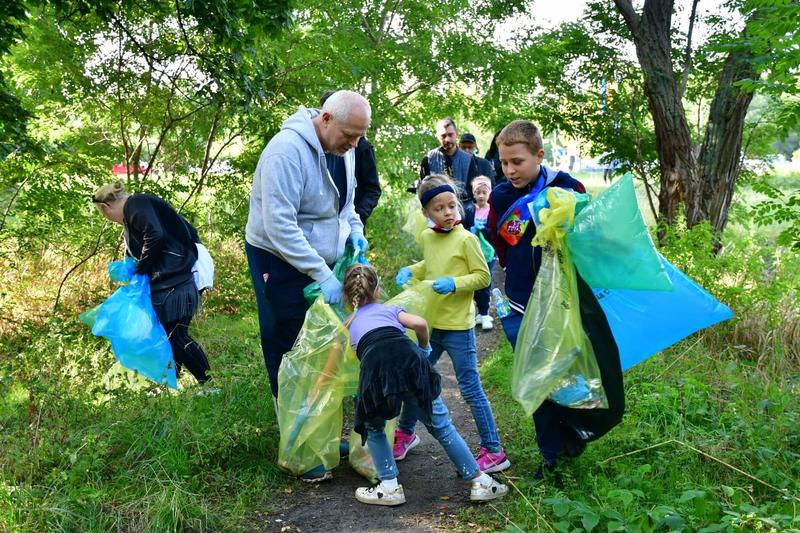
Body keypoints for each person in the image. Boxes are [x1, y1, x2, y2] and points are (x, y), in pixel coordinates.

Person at [488, 119, 624, 479]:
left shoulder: (569, 188)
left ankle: (574, 433)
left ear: (539, 155)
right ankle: (550, 457)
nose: (509, 170)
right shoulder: (501, 197)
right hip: (520, 307)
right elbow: (500, 246)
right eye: (504, 163)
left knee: (570, 378)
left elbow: (592, 239)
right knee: (539, 382)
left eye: (517, 161)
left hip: (564, 307)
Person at [244, 90, 370, 424]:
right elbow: (280, 226)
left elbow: (347, 204)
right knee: (287, 338)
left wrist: (354, 230)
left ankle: (319, 429)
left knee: (322, 340)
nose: (354, 144)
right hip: (277, 258)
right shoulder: (285, 153)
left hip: (321, 260)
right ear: (326, 118)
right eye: (349, 136)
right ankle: (293, 434)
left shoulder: (345, 148)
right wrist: (322, 275)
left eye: (360, 137)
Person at [343, 263, 508, 506]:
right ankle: (481, 482)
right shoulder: (390, 310)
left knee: (375, 426)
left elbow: (339, 349)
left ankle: (389, 486)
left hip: (376, 366)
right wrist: (424, 347)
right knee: (440, 425)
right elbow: (420, 323)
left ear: (347, 296)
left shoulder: (350, 321)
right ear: (378, 291)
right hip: (410, 359)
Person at [394, 174, 511, 473]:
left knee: (470, 387)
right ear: (426, 213)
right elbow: (430, 266)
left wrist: (455, 283)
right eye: (439, 208)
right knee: (417, 378)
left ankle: (494, 449)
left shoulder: (467, 238)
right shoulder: (428, 237)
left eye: (451, 206)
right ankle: (406, 434)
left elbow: (482, 276)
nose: (447, 213)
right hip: (430, 325)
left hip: (458, 326)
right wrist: (412, 271)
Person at [92, 181, 211, 384]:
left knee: (175, 334)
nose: (111, 220)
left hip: (183, 272)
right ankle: (171, 382)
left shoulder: (136, 204)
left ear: (105, 207)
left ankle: (208, 383)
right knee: (166, 332)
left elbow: (156, 235)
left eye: (105, 216)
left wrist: (141, 268)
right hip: (176, 273)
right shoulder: (134, 211)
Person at [319, 91, 382, 228]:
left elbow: (372, 188)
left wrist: (356, 219)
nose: (353, 143)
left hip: (350, 226)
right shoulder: (311, 146)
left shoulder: (362, 148)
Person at [413, 118, 480, 202]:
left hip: (464, 208)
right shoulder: (428, 160)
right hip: (436, 208)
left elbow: (473, 190)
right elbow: (423, 190)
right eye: (443, 136)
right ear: (437, 136)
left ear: (457, 134)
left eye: (450, 135)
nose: (447, 140)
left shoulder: (469, 160)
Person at [462, 176, 495, 331]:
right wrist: (472, 230)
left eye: (484, 192)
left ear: (489, 193)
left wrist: (485, 230)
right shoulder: (468, 210)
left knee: (485, 282)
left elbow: (495, 233)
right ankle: (480, 313)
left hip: (489, 253)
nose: (481, 195)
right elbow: (461, 230)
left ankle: (485, 312)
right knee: (475, 282)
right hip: (473, 252)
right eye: (478, 192)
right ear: (473, 194)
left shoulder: (492, 210)